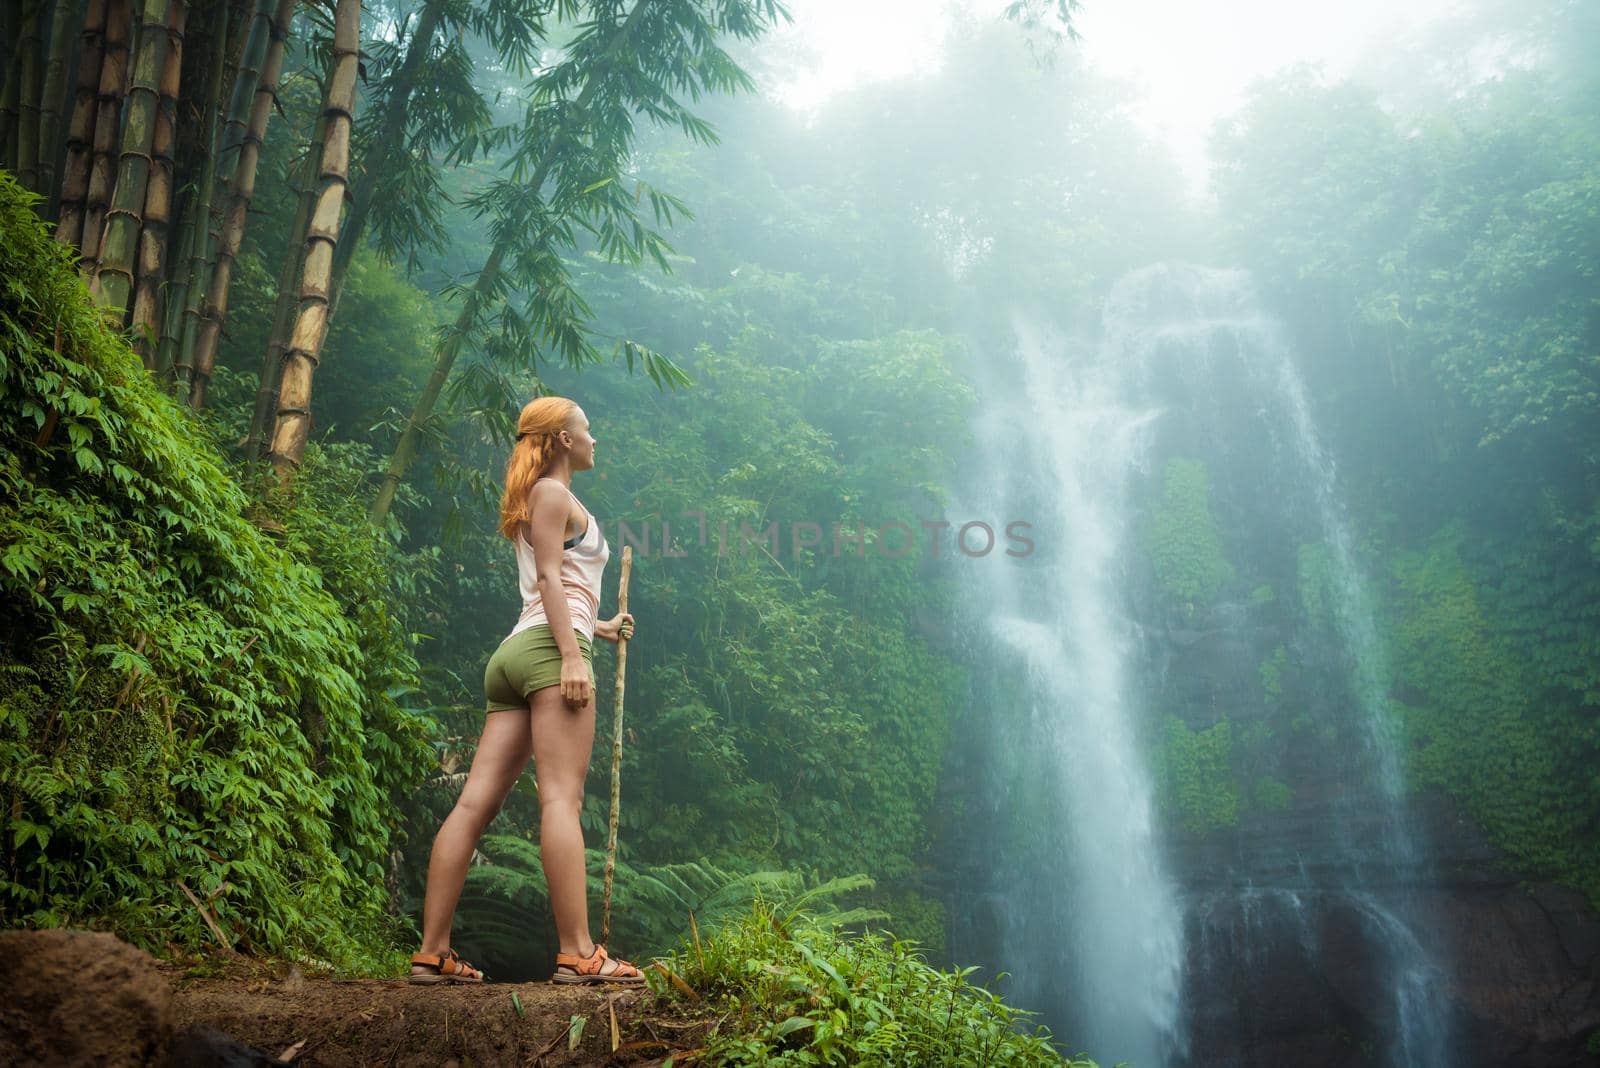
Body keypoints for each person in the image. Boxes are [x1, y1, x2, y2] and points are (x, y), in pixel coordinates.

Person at [408, 396, 643, 986]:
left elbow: (561, 581)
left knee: (472, 804)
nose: (596, 440)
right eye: (587, 430)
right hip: (545, 649)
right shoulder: (552, 493)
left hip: (518, 653)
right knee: (561, 799)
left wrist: (600, 628)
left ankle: (432, 953)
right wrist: (572, 653)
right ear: (563, 439)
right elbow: (546, 580)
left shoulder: (543, 496)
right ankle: (579, 952)